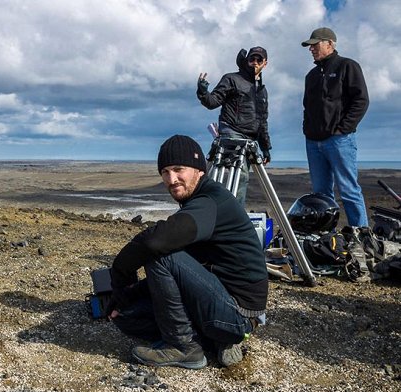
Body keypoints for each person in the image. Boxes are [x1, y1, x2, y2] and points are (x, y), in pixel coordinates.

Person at [107, 135, 268, 369]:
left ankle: (184, 347)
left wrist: (120, 271)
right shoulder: (197, 202)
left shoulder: (211, 201)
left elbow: (156, 242)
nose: (171, 179)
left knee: (160, 254)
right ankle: (210, 339)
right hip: (214, 295)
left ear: (199, 170)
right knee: (125, 316)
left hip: (238, 313)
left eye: (178, 169)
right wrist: (129, 295)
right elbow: (187, 270)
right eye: (165, 172)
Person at [301, 27, 369, 228]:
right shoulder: (311, 76)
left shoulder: (347, 66)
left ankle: (362, 235)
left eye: (315, 44)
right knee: (321, 195)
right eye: (310, 46)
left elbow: (361, 100)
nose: (311, 49)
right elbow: (307, 106)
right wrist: (308, 129)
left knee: (348, 190)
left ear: (330, 43)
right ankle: (325, 240)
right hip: (313, 142)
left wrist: (343, 129)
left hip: (339, 140)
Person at [197, 47, 272, 206]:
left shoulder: (262, 91)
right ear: (247, 60)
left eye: (259, 60)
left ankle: (233, 216)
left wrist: (265, 148)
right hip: (231, 133)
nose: (255, 63)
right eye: (252, 59)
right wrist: (203, 92)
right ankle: (210, 211)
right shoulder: (232, 79)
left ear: (265, 63)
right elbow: (213, 102)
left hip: (250, 139)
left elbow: (262, 121)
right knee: (239, 176)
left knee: (242, 179)